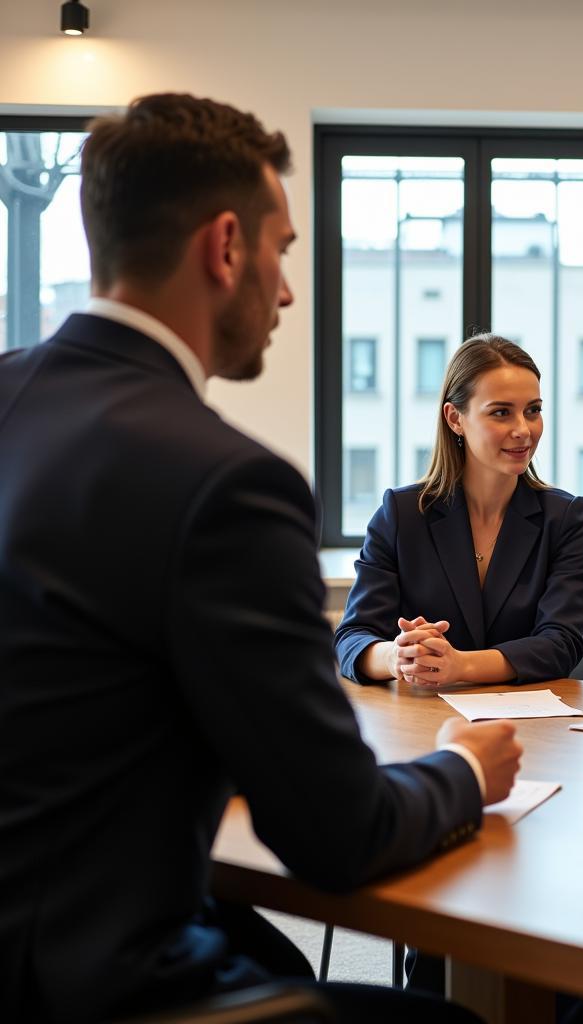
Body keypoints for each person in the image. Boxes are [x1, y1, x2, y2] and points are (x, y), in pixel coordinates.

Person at [0, 93, 523, 1024]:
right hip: (96, 981)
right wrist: (462, 772)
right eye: (282, 252)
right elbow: (337, 836)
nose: (286, 291)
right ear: (226, 245)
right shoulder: (229, 485)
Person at [335, 334, 583, 689]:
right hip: (420, 721)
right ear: (455, 418)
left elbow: (561, 643)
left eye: (532, 410)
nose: (523, 430)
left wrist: (460, 666)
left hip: (531, 725)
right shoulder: (401, 514)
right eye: (501, 412)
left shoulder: (566, 518)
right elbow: (352, 637)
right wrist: (397, 656)